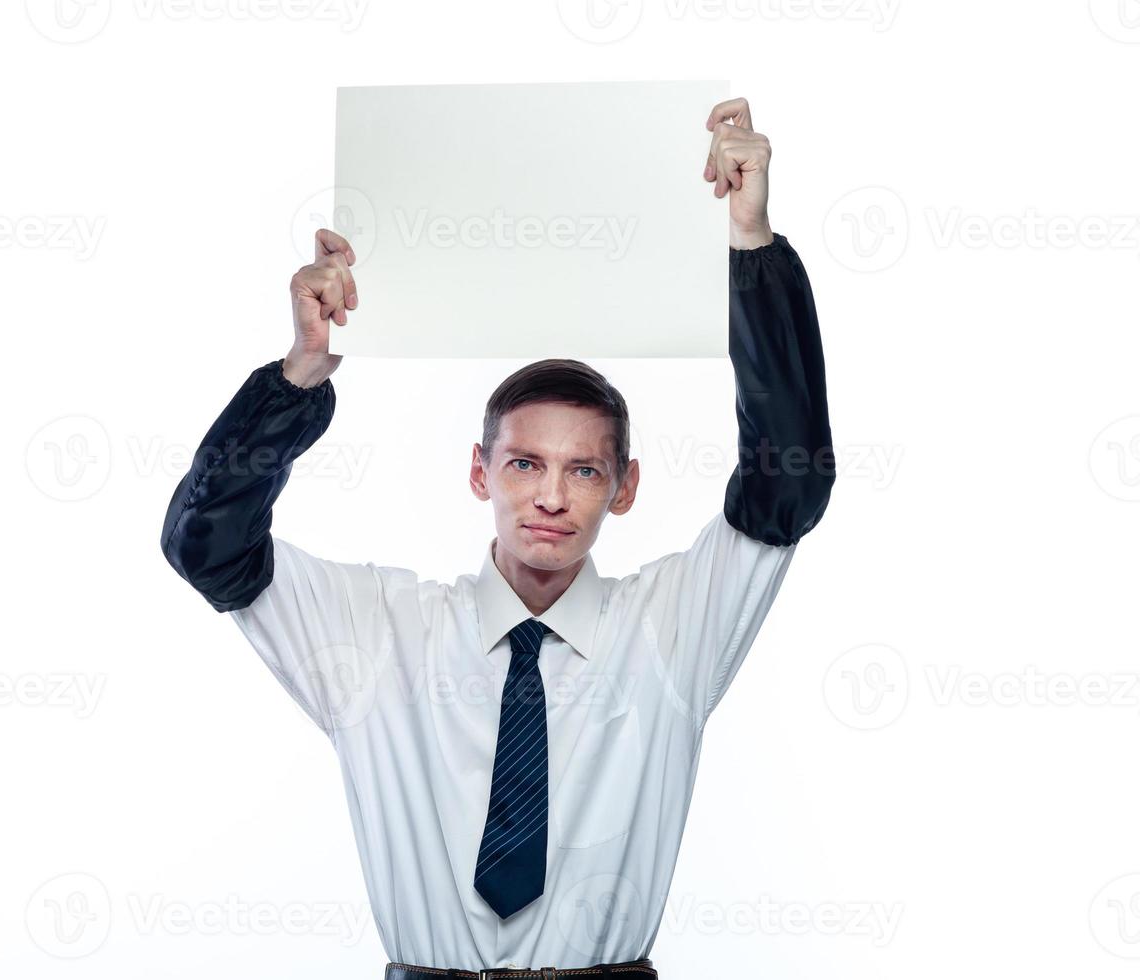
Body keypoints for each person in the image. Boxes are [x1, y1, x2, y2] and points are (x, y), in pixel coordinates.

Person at [160, 97, 834, 979]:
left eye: (585, 471)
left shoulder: (672, 629)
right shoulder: (379, 632)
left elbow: (788, 481)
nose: (550, 496)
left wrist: (752, 247)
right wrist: (297, 380)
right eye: (523, 465)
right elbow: (206, 547)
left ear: (624, 489)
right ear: (480, 474)